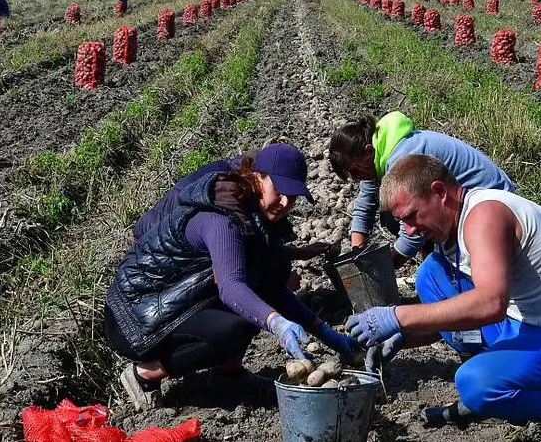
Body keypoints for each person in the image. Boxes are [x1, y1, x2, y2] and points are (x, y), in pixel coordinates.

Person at [347, 154, 541, 439]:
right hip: (529, 322)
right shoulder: (454, 225)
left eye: (411, 216)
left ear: (439, 192)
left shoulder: (484, 216)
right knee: (431, 274)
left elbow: (491, 303)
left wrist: (397, 315)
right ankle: (506, 380)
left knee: (474, 383)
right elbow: (460, 313)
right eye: (402, 222)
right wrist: (403, 336)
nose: (409, 230)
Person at [106, 143, 360, 410]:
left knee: (263, 282)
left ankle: (228, 375)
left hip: (173, 304)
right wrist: (276, 323)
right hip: (133, 318)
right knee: (233, 329)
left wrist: (327, 334)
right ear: (257, 177)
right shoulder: (222, 218)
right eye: (280, 191)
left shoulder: (255, 218)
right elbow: (230, 287)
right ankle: (145, 373)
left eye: (293, 197)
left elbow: (271, 287)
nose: (286, 203)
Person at [328, 112, 514, 267]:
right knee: (392, 215)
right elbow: (365, 201)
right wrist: (357, 250)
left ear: (368, 151)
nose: (356, 178)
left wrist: (388, 264)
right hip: (463, 202)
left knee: (401, 215)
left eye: (354, 171)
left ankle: (448, 266)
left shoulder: (402, 158)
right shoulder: (377, 154)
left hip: (493, 203)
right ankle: (436, 262)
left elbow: (416, 218)